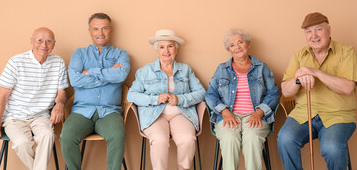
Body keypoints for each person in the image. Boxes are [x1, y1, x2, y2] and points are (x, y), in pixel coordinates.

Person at [277, 12, 357, 170]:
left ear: (329, 30)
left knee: (332, 148)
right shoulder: (299, 55)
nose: (313, 35)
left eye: (318, 29)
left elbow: (348, 88)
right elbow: (286, 91)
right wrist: (298, 78)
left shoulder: (347, 52)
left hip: (338, 115)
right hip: (304, 114)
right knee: (285, 139)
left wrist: (316, 72)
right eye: (308, 32)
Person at [127, 29, 205, 170]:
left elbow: (201, 93)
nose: (166, 51)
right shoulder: (145, 72)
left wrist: (180, 99)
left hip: (181, 114)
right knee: (159, 140)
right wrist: (155, 99)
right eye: (162, 47)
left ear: (176, 48)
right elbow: (131, 95)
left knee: (187, 139)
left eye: (170, 46)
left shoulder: (186, 70)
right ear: (157, 49)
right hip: (154, 115)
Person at [60, 13, 130, 170]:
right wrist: (108, 73)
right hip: (81, 111)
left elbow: (121, 75)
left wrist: (89, 71)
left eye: (104, 28)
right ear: (89, 31)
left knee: (117, 135)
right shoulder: (79, 53)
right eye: (96, 29)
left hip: (110, 111)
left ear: (111, 30)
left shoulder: (121, 54)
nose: (100, 33)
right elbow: (76, 80)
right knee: (67, 137)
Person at [205, 28, 279, 170]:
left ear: (248, 45)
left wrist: (259, 112)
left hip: (255, 115)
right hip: (229, 116)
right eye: (232, 45)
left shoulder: (261, 67)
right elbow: (210, 94)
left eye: (240, 42)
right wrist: (224, 112)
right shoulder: (222, 69)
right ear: (229, 50)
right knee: (229, 139)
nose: (237, 47)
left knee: (252, 139)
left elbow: (273, 93)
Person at [0, 27, 68, 170]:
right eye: (39, 41)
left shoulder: (58, 62)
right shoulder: (16, 62)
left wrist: (59, 104)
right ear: (31, 42)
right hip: (14, 116)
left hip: (41, 115)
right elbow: (3, 97)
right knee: (22, 143)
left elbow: (61, 93)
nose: (44, 45)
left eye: (49, 41)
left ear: (54, 44)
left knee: (48, 136)